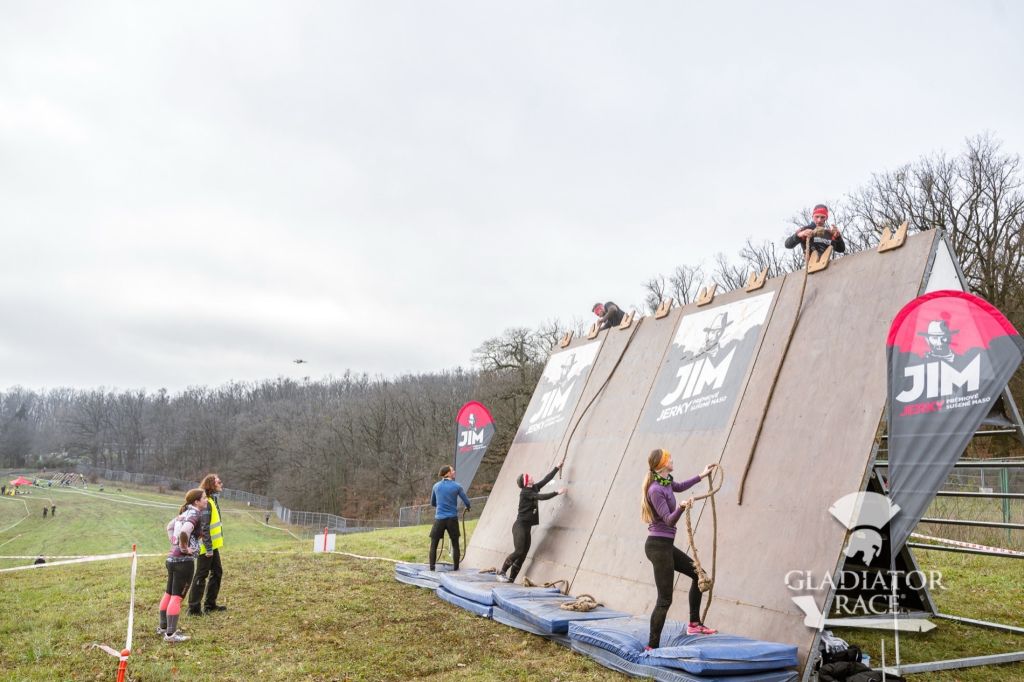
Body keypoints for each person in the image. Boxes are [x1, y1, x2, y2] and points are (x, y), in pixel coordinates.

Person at [642, 448, 719, 649]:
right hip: (657, 547)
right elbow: (669, 520)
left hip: (666, 546)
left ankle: (694, 624)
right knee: (665, 599)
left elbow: (680, 486)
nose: (672, 460)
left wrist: (702, 475)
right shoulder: (655, 490)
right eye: (669, 459)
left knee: (699, 574)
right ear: (661, 464)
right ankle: (651, 646)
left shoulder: (666, 482)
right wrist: (682, 508)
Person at [496, 465, 567, 583]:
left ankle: (511, 579)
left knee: (523, 555)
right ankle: (502, 572)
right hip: (519, 526)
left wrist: (557, 467)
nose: (530, 476)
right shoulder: (525, 493)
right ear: (526, 482)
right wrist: (556, 492)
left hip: (526, 528)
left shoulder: (533, 488)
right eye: (527, 476)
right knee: (518, 551)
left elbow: (546, 479)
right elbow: (540, 497)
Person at [159, 488, 207, 643]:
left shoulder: (184, 513)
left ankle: (163, 628)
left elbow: (169, 527)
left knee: (169, 593)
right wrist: (184, 548)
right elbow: (185, 531)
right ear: (196, 501)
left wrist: (174, 543)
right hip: (184, 562)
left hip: (171, 559)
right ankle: (171, 635)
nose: (206, 500)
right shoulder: (195, 514)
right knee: (177, 597)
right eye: (204, 498)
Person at [189, 474, 226, 616]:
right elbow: (204, 527)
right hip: (206, 547)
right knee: (201, 575)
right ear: (211, 484)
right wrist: (209, 548)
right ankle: (193, 609)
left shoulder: (211, 500)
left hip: (212, 546)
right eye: (219, 482)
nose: (221, 484)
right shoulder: (207, 503)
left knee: (217, 572)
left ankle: (210, 605)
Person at [428, 465, 471, 571]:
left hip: (439, 519)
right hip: (452, 519)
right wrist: (468, 507)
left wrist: (441, 505)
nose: (454, 471)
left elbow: (433, 503)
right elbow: (467, 502)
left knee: (434, 544)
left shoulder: (436, 486)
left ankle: (432, 568)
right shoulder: (457, 486)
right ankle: (456, 569)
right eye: (452, 470)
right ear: (447, 473)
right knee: (455, 544)